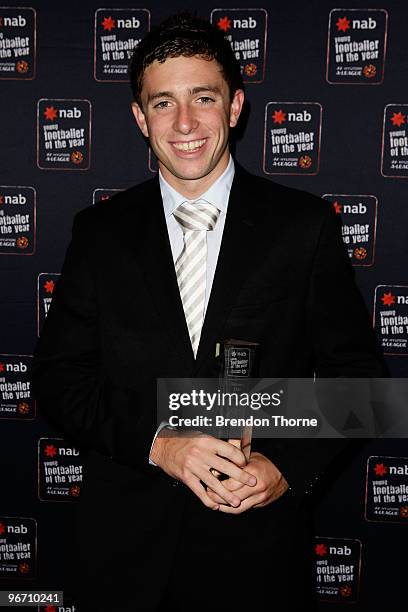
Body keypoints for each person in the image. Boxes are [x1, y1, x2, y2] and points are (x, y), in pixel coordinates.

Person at [32, 13, 385, 612]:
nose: (186, 123)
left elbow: (364, 387)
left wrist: (286, 466)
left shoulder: (304, 229)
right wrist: (161, 444)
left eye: (203, 97)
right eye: (163, 103)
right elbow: (59, 380)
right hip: (122, 559)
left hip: (256, 557)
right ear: (141, 119)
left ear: (236, 106)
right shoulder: (100, 233)